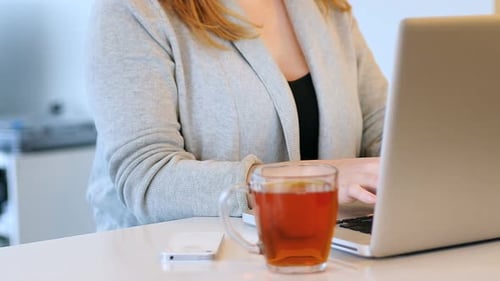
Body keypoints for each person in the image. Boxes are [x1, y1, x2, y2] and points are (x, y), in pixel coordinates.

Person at [86, 0, 387, 231]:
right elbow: (147, 178)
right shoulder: (134, 9)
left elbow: (382, 125)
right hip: (179, 264)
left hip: (324, 255)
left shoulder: (325, 7)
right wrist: (305, 180)